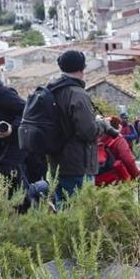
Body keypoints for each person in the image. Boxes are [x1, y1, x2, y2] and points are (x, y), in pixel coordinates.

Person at [48, 50, 102, 203]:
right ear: (82, 68)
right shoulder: (77, 94)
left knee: (63, 213)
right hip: (78, 166)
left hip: (56, 165)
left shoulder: (52, 90)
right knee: (82, 215)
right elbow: (88, 132)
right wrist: (102, 125)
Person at [0, 77, 27, 192]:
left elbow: (27, 111)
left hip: (9, 151)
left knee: (15, 193)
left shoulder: (1, 93)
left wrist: (11, 128)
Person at [95, 116, 140, 186]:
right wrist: (137, 174)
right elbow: (128, 160)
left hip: (99, 179)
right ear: (118, 126)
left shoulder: (96, 140)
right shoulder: (118, 140)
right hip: (117, 179)